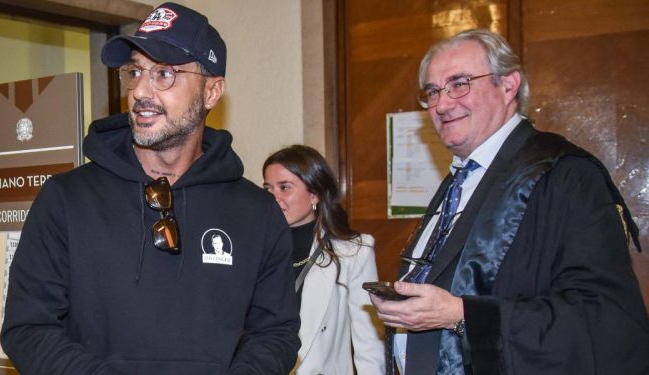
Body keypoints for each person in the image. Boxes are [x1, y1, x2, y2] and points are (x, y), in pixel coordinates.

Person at [0, 3, 300, 374]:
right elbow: (27, 328)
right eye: (135, 71)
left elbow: (276, 333)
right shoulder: (66, 199)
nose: (140, 89)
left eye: (164, 73)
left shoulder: (257, 212)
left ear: (211, 92)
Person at [370, 28, 649, 375]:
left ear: (508, 85)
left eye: (459, 83)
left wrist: (460, 315)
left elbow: (600, 317)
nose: (441, 104)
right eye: (433, 91)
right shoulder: (460, 180)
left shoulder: (566, 176)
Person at [263, 145, 386, 374]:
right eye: (268, 189)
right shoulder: (255, 248)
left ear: (314, 194)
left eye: (285, 188)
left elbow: (369, 343)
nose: (274, 198)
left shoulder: (353, 252)